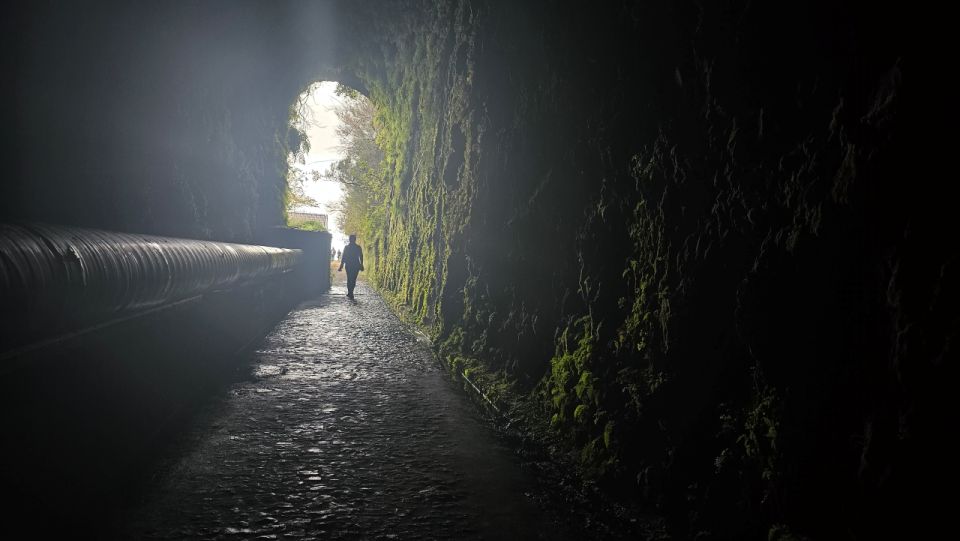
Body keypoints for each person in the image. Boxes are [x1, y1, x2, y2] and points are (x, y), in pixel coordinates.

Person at [338, 234, 364, 299]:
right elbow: (361, 256)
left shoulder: (347, 247)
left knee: (350, 279)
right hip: (356, 265)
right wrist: (361, 264)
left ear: (350, 239)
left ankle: (350, 292)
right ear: (355, 239)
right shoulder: (358, 247)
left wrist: (341, 266)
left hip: (349, 265)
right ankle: (350, 292)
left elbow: (344, 257)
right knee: (353, 279)